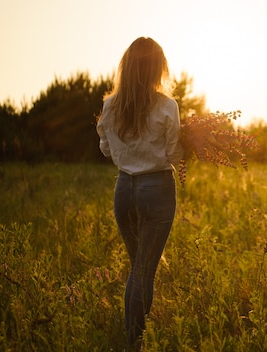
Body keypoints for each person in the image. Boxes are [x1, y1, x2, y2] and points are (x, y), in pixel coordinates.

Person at [96, 37, 183, 349]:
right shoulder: (167, 106)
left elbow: (106, 150)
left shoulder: (109, 106)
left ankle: (134, 336)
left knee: (139, 269)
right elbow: (174, 155)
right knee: (144, 271)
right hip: (156, 189)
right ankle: (135, 342)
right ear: (158, 68)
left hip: (124, 191)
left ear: (126, 67)